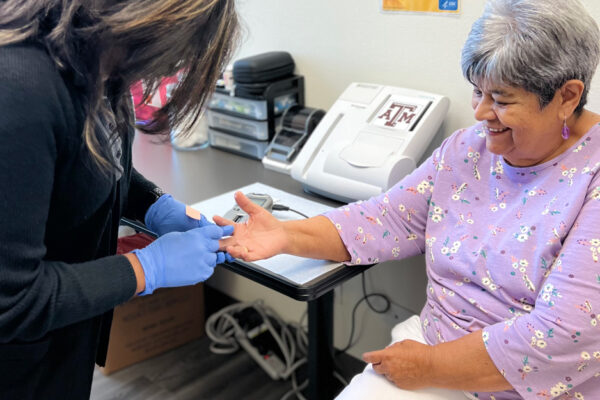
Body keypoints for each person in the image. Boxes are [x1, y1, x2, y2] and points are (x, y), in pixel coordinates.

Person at [216, 0, 600, 398]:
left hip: (530, 385)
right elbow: (390, 218)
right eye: (477, 91)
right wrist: (285, 235)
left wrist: (429, 367)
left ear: (567, 97)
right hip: (433, 348)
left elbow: (563, 335)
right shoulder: (469, 149)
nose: (482, 112)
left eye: (502, 100)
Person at [0, 1, 238, 398]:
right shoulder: (20, 92)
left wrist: (156, 205)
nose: (167, 69)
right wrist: (147, 268)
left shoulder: (102, 67)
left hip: (63, 339)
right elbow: (12, 301)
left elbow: (94, 165)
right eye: (173, 54)